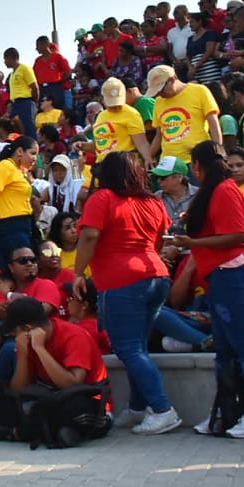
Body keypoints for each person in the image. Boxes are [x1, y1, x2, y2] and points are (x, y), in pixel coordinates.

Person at [74, 151, 179, 435]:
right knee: (138, 347)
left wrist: (78, 272)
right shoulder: (153, 202)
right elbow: (158, 240)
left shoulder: (103, 198)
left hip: (122, 280)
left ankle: (162, 409)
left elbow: (89, 235)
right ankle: (137, 407)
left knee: (129, 349)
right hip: (155, 275)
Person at [173, 141, 244, 438]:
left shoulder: (225, 189)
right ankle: (225, 414)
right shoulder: (214, 190)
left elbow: (239, 234)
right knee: (224, 349)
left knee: (241, 345)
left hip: (231, 273)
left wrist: (193, 244)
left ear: (198, 166)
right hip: (216, 275)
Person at [0, 137, 39, 270]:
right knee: (17, 270)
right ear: (20, 151)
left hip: (22, 226)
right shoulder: (6, 166)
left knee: (24, 271)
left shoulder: (19, 171)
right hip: (10, 227)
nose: (35, 158)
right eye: (33, 153)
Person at [146, 65, 223, 164]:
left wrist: (218, 153)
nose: (159, 94)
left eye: (161, 89)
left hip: (197, 160)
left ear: (172, 80)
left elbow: (214, 124)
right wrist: (149, 157)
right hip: (168, 163)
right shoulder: (158, 101)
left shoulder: (199, 91)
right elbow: (159, 135)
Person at [91, 78, 152, 170]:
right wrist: (82, 146)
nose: (115, 106)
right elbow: (101, 144)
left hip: (125, 165)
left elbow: (141, 143)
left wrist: (148, 158)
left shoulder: (131, 113)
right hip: (103, 166)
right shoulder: (101, 116)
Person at [4, 46, 39, 138]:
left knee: (29, 128)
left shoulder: (24, 68)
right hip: (15, 104)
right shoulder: (12, 74)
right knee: (17, 130)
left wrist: (34, 103)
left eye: (5, 59)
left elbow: (34, 87)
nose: (5, 62)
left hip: (26, 102)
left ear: (11, 57)